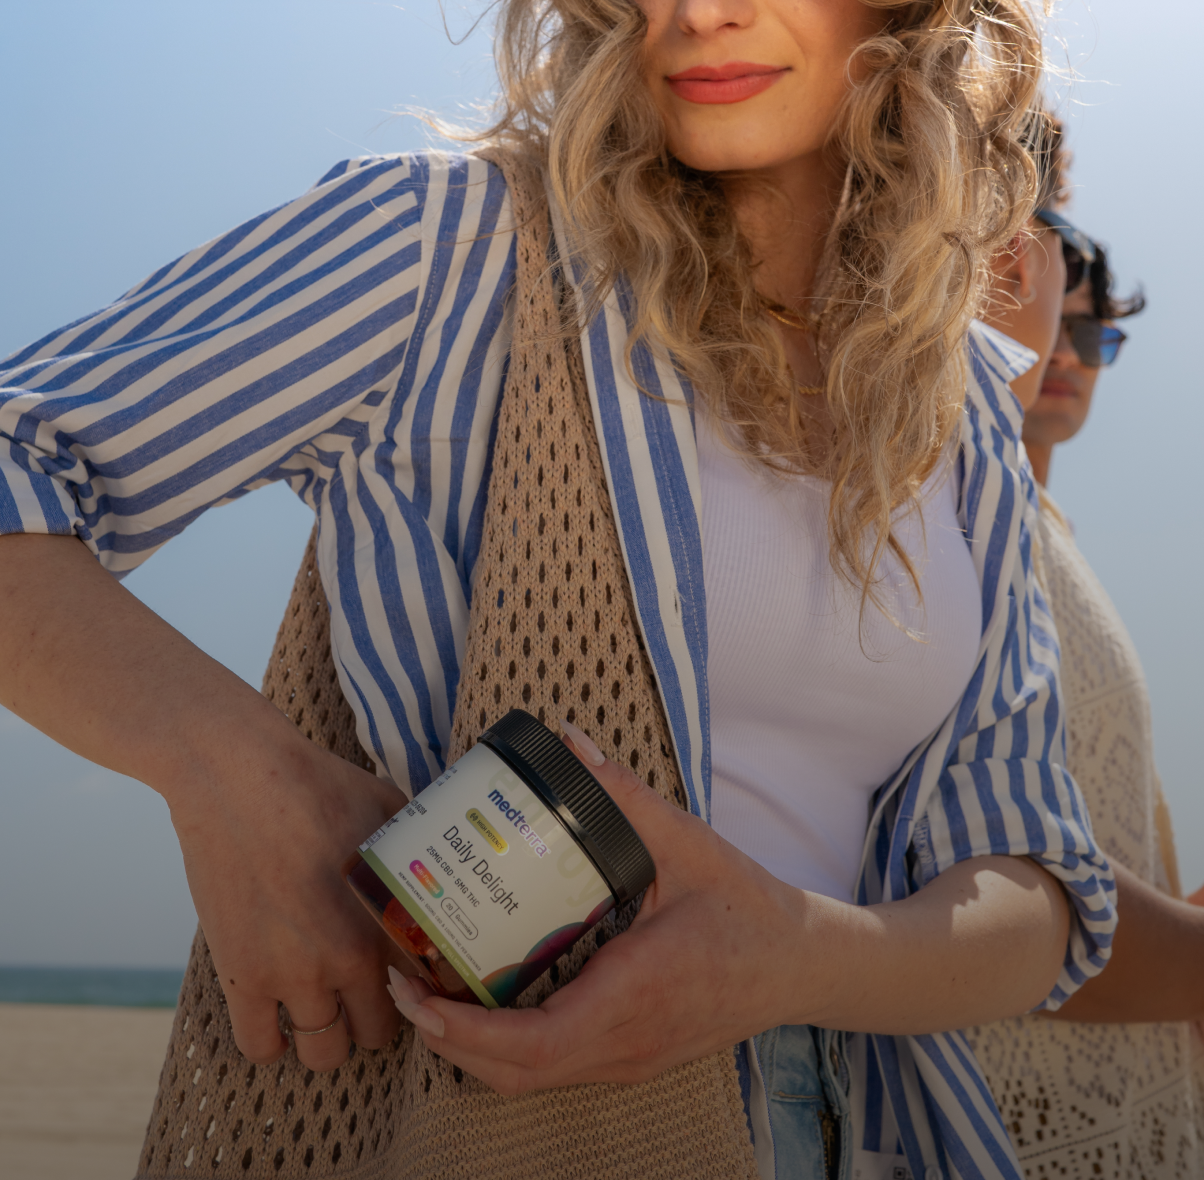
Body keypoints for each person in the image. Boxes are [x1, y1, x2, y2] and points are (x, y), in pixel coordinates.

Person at [0, 3, 1114, 1177]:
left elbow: (1035, 888)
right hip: (491, 1131)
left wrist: (789, 958)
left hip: (881, 1132)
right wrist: (229, 768)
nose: (697, 14)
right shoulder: (452, 249)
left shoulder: (960, 407)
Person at [977, 175, 1204, 1174]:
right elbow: (977, 846)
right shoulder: (958, 512)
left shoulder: (1055, 543)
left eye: (1094, 336)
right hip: (1010, 1109)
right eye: (1050, 318)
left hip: (1121, 1098)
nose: (1066, 355)